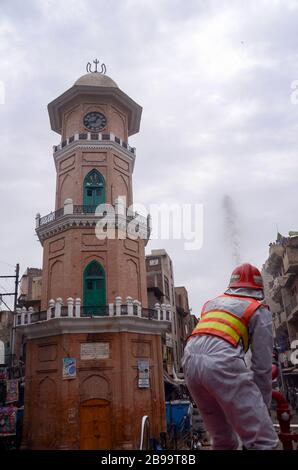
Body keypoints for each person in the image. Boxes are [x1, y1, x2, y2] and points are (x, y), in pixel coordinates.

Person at [182, 263, 279, 450]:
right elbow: (262, 367)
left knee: (223, 441)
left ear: (232, 287)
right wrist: (262, 407)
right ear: (258, 290)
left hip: (189, 363)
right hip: (222, 364)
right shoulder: (258, 309)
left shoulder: (211, 304)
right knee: (264, 442)